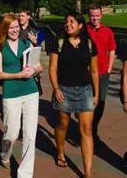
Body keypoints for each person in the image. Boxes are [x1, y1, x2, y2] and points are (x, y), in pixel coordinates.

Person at [49, 12, 98, 178]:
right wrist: (56, 89)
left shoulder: (89, 44)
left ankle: (88, 173)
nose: (68, 24)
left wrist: (96, 94)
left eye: (72, 21)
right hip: (64, 89)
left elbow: (95, 71)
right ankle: (60, 152)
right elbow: (53, 68)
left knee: (86, 128)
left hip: (85, 90)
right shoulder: (59, 43)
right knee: (63, 124)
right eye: (66, 21)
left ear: (80, 25)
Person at [0, 14, 43, 176]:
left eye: (16, 27)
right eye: (10, 27)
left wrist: (34, 70)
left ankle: (25, 174)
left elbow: (40, 66)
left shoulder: (27, 43)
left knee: (30, 133)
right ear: (5, 29)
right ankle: (5, 153)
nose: (14, 30)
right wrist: (19, 75)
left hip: (30, 90)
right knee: (12, 132)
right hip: (11, 92)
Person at [86, 3, 116, 145]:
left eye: (97, 15)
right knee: (86, 104)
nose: (95, 18)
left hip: (103, 73)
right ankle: (87, 130)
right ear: (88, 16)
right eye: (92, 16)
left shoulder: (108, 32)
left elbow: (111, 50)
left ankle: (93, 129)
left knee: (100, 104)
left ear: (101, 15)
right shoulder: (84, 31)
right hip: (87, 73)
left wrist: (109, 69)